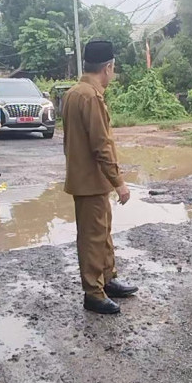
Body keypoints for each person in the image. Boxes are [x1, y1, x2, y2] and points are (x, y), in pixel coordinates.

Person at [62, 39, 137, 315]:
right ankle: (93, 292)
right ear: (107, 67)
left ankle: (107, 279)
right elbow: (101, 145)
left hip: (89, 180)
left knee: (102, 232)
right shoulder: (89, 97)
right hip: (90, 180)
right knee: (93, 237)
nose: (113, 74)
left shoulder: (74, 92)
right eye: (113, 69)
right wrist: (119, 182)